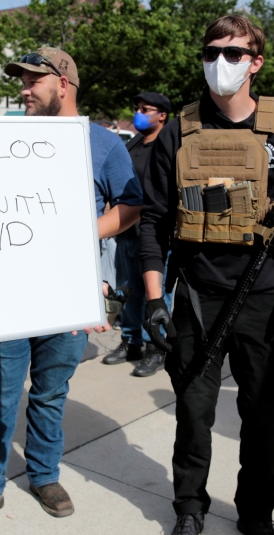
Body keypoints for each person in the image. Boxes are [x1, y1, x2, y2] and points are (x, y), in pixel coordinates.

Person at [139, 15, 274, 535]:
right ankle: (190, 508)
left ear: (256, 62)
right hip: (198, 294)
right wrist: (155, 297)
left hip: (264, 295)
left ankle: (256, 514)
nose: (221, 63)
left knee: (263, 417)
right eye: (212, 52)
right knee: (193, 415)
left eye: (235, 53)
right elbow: (153, 219)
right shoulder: (179, 130)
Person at [0, 47, 142, 518]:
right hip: (10, 293)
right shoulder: (4, 139)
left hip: (68, 295)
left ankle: (44, 476)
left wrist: (82, 234)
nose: (23, 89)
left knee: (50, 394)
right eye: (23, 80)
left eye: (34, 81)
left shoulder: (104, 144)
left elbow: (131, 206)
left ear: (63, 85)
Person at [103, 91, 171, 376]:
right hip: (127, 231)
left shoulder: (169, 145)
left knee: (156, 292)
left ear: (162, 116)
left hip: (155, 232)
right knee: (129, 288)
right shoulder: (133, 144)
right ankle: (131, 341)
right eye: (138, 108)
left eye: (147, 109)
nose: (139, 113)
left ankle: (157, 347)